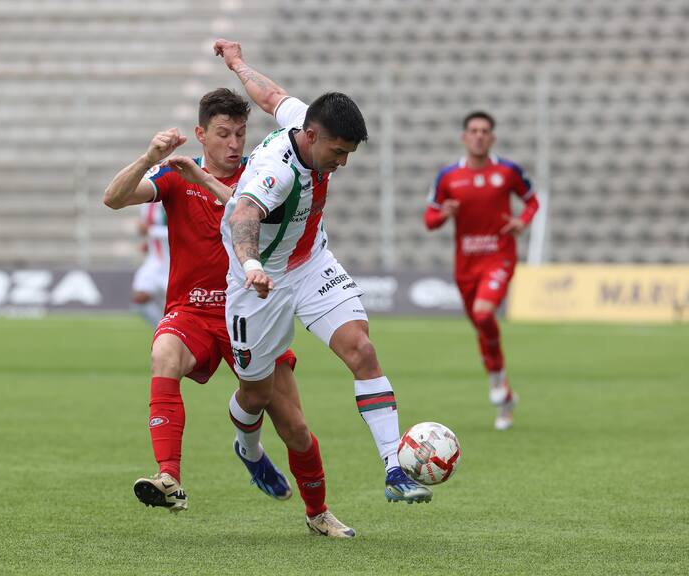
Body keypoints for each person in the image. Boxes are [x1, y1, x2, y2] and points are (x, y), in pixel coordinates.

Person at [103, 88, 355, 537]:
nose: (234, 143)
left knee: (295, 427)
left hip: (255, 311)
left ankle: (317, 512)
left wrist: (206, 180)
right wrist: (148, 158)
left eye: (240, 133)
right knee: (164, 355)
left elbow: (248, 207)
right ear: (201, 134)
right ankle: (169, 478)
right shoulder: (176, 177)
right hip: (193, 312)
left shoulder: (263, 173)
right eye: (223, 134)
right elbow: (114, 198)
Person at [212, 38, 432, 504]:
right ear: (312, 137)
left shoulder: (303, 120)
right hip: (259, 283)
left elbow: (270, 96)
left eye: (349, 152)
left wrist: (237, 64)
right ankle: (249, 450)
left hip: (311, 264)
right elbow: (243, 214)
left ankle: (395, 468)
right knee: (255, 395)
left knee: (362, 350)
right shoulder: (278, 171)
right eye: (338, 151)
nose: (343, 163)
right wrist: (251, 264)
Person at [424, 111, 539, 430]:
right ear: (464, 137)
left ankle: (499, 387)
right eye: (473, 130)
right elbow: (429, 220)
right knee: (481, 326)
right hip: (466, 266)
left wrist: (522, 222)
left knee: (485, 314)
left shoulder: (508, 171)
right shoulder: (448, 177)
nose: (478, 135)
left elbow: (532, 202)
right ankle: (503, 394)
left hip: (499, 257)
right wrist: (444, 213)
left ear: (492, 138)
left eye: (484, 131)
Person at [131, 201, 169, 327]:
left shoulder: (175, 197)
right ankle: (162, 329)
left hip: (174, 263)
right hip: (155, 260)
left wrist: (151, 231)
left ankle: (172, 334)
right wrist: (149, 243)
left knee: (173, 307)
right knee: (139, 299)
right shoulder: (147, 202)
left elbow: (183, 230)